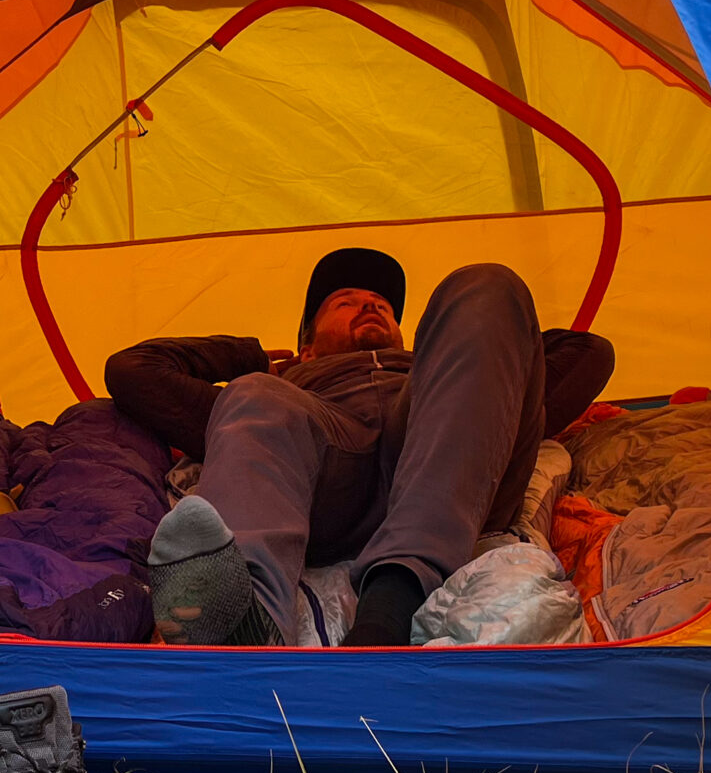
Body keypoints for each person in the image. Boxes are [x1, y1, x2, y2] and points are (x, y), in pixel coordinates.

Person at [103, 248, 615, 646]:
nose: (369, 304)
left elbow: (588, 353)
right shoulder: (283, 383)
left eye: (382, 306)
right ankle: (243, 620)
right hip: (323, 480)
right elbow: (133, 372)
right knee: (253, 395)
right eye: (345, 303)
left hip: (452, 463)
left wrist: (456, 344)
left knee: (487, 284)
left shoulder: (436, 371)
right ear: (306, 343)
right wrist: (254, 358)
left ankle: (390, 605)